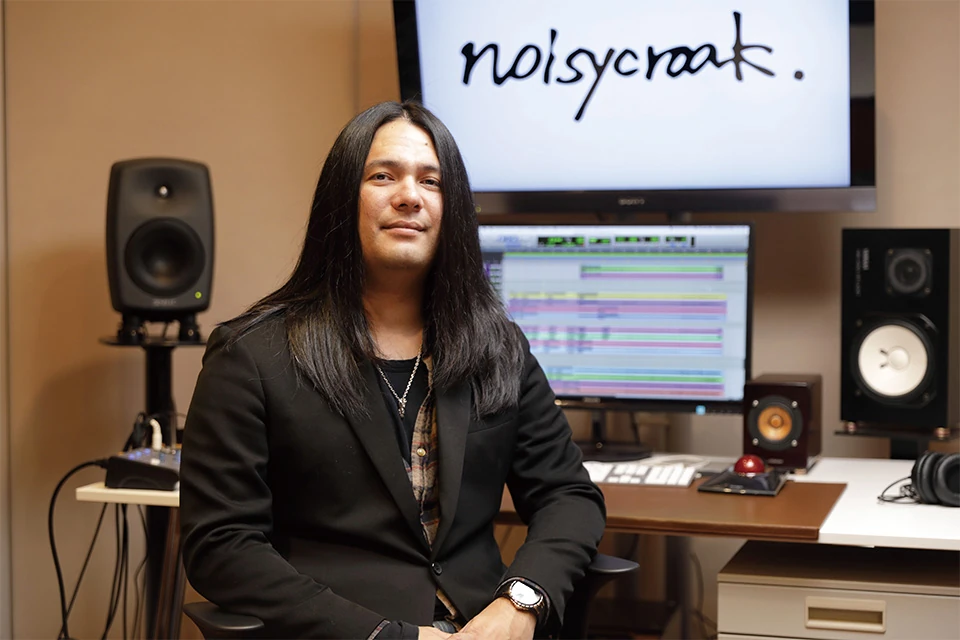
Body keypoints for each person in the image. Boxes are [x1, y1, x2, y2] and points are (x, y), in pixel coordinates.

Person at [180, 100, 606, 640]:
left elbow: (568, 496)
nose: (410, 196)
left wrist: (520, 603)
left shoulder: (498, 347)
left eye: (431, 181)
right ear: (341, 198)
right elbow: (221, 545)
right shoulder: (251, 354)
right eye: (383, 176)